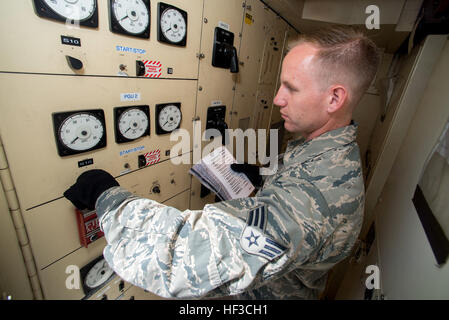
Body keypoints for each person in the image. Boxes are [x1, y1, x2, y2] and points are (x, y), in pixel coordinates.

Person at [64, 26, 380, 299]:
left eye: (291, 88)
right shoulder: (322, 151)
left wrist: (107, 196)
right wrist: (260, 177)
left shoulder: (316, 196)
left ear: (334, 98)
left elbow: (183, 257)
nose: (277, 99)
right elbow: (293, 185)